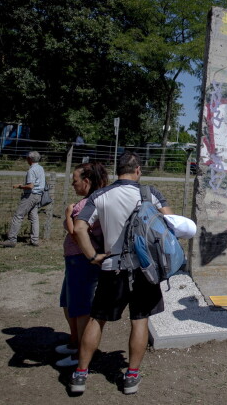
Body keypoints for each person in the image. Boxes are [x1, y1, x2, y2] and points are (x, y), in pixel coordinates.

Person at [69, 151, 172, 395]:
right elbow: (171, 223)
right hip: (145, 269)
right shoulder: (150, 194)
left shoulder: (101, 195)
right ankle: (131, 376)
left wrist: (91, 255)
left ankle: (80, 374)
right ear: (138, 171)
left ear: (118, 171)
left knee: (97, 319)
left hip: (112, 267)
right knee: (139, 320)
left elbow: (79, 226)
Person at [55, 162, 109, 367]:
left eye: (75, 181)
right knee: (69, 303)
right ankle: (74, 341)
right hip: (76, 261)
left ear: (87, 182)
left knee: (80, 307)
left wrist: (69, 215)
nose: (73, 184)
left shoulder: (86, 205)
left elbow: (76, 232)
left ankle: (80, 353)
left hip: (82, 261)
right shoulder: (92, 202)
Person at [0, 151, 46, 247]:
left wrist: (20, 186)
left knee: (18, 216)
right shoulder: (41, 168)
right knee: (34, 217)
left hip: (30, 195)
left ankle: (11, 240)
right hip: (38, 196)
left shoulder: (31, 170)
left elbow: (30, 186)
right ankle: (35, 240)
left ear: (29, 159)